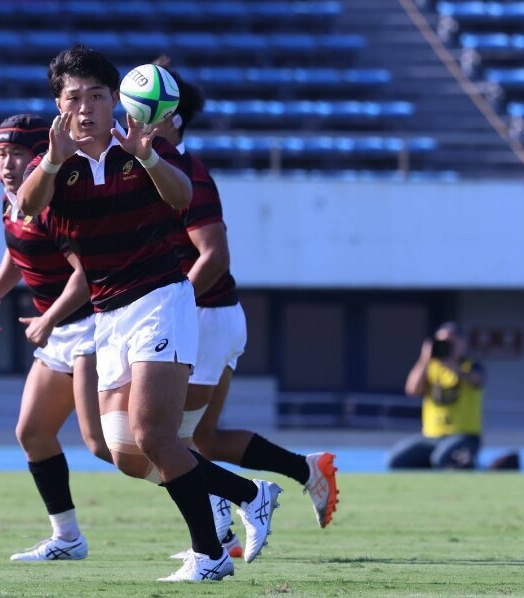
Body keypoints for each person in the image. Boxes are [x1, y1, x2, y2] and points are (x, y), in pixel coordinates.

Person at [17, 45, 281, 582]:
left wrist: (149, 156)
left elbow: (182, 199)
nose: (86, 107)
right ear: (59, 105)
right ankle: (249, 493)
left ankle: (210, 556)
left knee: (157, 436)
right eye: (74, 98)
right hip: (108, 313)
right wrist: (49, 159)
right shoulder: (56, 160)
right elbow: (26, 206)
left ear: (116, 99)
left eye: (97, 95)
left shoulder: (139, 143)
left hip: (161, 300)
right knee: (127, 453)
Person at [150, 68, 339, 559]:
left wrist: (175, 305)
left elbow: (214, 256)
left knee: (169, 436)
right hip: (217, 315)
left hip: (206, 315)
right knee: (202, 437)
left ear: (169, 118)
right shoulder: (162, 167)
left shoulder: (186, 173)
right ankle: (305, 470)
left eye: (141, 110)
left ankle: (222, 534)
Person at [0, 114, 113, 562]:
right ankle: (68, 538)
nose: (8, 164)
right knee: (33, 433)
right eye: (1, 154)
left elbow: (85, 277)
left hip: (89, 326)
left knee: (106, 445)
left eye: (17, 154)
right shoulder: (10, 199)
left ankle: (218, 493)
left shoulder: (52, 200)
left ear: (39, 154)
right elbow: (17, 251)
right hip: (57, 334)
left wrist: (48, 319)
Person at [389, 322, 485, 469]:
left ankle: (469, 464)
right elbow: (412, 390)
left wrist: (451, 363)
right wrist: (424, 359)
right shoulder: (430, 367)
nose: (445, 346)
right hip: (431, 436)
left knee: (442, 457)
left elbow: (477, 380)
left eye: (450, 342)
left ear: (462, 343)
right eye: (441, 342)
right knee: (397, 459)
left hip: (464, 436)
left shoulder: (471, 365)